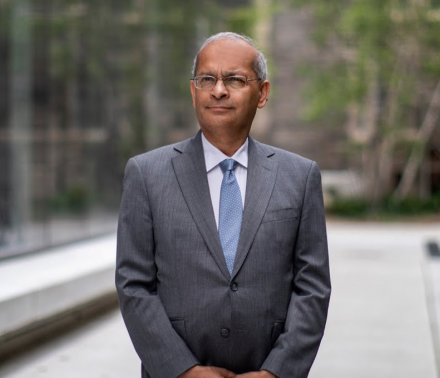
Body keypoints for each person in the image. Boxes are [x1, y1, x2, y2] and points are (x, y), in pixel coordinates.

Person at [116, 32, 331, 378]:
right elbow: (134, 285)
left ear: (262, 93)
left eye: (234, 79)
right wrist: (183, 370)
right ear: (193, 91)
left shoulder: (301, 177)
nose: (218, 90)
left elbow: (313, 288)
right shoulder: (146, 174)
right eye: (207, 79)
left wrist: (277, 373)